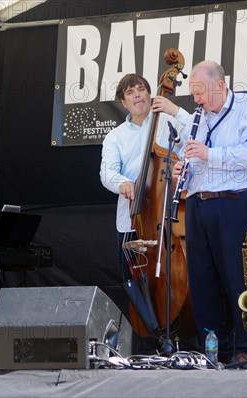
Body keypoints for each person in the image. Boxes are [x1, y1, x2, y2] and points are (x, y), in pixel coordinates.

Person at [172, 60, 247, 363]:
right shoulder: (196, 119)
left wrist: (209, 154)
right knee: (203, 283)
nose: (197, 100)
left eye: (201, 92)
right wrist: (180, 172)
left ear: (220, 85)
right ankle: (214, 350)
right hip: (197, 205)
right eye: (193, 93)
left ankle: (244, 349)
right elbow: (190, 162)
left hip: (231, 201)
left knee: (236, 280)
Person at [99, 73, 191, 352]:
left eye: (142, 89)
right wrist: (123, 183)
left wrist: (176, 110)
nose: (138, 95)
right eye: (131, 92)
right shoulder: (115, 136)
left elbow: (195, 135)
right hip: (133, 218)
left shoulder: (168, 122)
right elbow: (106, 172)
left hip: (165, 216)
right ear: (123, 102)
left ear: (151, 95)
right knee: (131, 277)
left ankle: (182, 332)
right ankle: (156, 332)